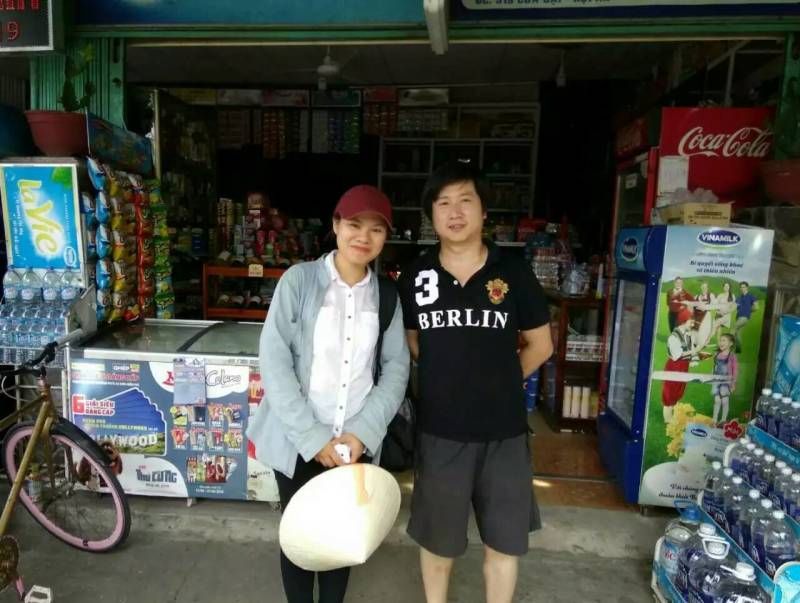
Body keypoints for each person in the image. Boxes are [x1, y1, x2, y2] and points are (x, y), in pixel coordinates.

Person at [246, 185, 410, 603]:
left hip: (353, 444)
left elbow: (395, 369)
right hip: (298, 440)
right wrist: (312, 436)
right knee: (300, 538)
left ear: (385, 238)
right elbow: (275, 359)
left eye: (376, 229)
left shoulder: (387, 297)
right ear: (336, 225)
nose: (364, 237)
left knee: (341, 540)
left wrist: (362, 433)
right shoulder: (298, 281)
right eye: (355, 225)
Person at [398, 162, 553, 603]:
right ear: (432, 215)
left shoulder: (515, 273)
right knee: (438, 543)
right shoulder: (416, 276)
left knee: (503, 543)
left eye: (466, 200)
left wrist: (499, 382)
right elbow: (413, 341)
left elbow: (541, 346)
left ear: (485, 213)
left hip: (503, 433)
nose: (455, 212)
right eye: (443, 202)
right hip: (440, 432)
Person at [661, 309, 700, 423]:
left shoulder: (689, 335)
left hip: (683, 367)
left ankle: (672, 417)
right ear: (683, 321)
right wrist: (693, 351)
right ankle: (668, 419)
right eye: (691, 322)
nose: (692, 324)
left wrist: (694, 358)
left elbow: (692, 349)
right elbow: (676, 355)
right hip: (674, 366)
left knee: (678, 392)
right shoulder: (674, 337)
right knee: (669, 393)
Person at [711, 333, 738, 425]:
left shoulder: (732, 356)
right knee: (717, 400)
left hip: (726, 382)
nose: (721, 342)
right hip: (716, 381)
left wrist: (733, 384)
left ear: (731, 343)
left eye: (724, 340)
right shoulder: (717, 355)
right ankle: (714, 420)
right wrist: (712, 378)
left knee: (725, 401)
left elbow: (735, 371)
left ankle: (723, 420)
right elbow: (714, 368)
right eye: (720, 340)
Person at [733, 281, 758, 352]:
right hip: (738, 317)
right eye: (741, 287)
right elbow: (734, 306)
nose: (742, 288)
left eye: (743, 287)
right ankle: (738, 350)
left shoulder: (751, 296)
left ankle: (727, 347)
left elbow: (756, 307)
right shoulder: (739, 297)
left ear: (747, 287)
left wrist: (748, 310)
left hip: (744, 317)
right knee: (737, 333)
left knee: (733, 328)